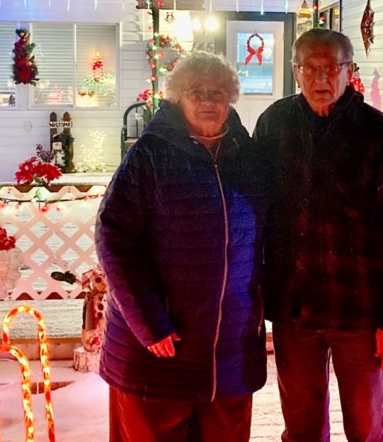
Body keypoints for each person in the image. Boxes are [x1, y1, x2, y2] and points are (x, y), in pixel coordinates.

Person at [253, 28, 383, 442]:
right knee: (301, 428)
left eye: (331, 67)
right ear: (295, 71)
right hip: (295, 311)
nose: (321, 78)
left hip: (364, 317)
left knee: (366, 429)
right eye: (310, 68)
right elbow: (255, 209)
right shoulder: (274, 126)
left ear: (350, 70)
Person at [95, 50, 270, 442]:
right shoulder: (150, 156)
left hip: (230, 351)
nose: (208, 101)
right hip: (160, 348)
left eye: (218, 93)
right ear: (178, 98)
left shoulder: (248, 158)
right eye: (197, 93)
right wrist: (149, 323)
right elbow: (113, 240)